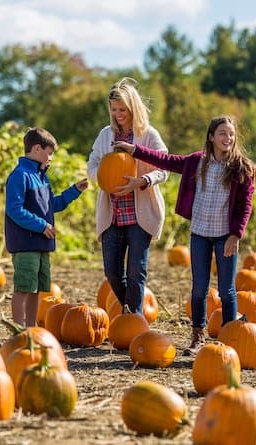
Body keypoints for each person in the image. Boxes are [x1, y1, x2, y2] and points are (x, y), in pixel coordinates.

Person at [113, 115, 254, 355]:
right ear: (211, 137)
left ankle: (230, 337)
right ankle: (198, 336)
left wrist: (236, 235)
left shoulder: (241, 168)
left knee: (226, 290)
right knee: (199, 289)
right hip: (199, 234)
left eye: (230, 134)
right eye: (222, 133)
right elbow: (165, 160)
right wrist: (134, 150)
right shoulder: (196, 162)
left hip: (224, 237)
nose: (227, 138)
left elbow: (245, 205)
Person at [87, 78, 169, 316]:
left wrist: (143, 181)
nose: (118, 114)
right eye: (114, 110)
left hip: (139, 215)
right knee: (112, 271)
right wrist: (102, 178)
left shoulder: (148, 135)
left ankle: (133, 318)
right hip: (112, 214)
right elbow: (92, 164)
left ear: (133, 107)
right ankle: (131, 312)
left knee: (136, 270)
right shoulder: (105, 135)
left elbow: (163, 168)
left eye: (122, 109)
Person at [5, 127, 88, 327]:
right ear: (36, 149)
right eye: (49, 153)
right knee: (24, 288)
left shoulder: (41, 176)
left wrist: (73, 191)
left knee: (37, 289)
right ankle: (18, 330)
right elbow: (14, 209)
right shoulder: (20, 175)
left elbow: (52, 205)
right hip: (26, 244)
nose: (51, 158)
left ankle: (31, 328)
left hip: (41, 244)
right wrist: (41, 225)